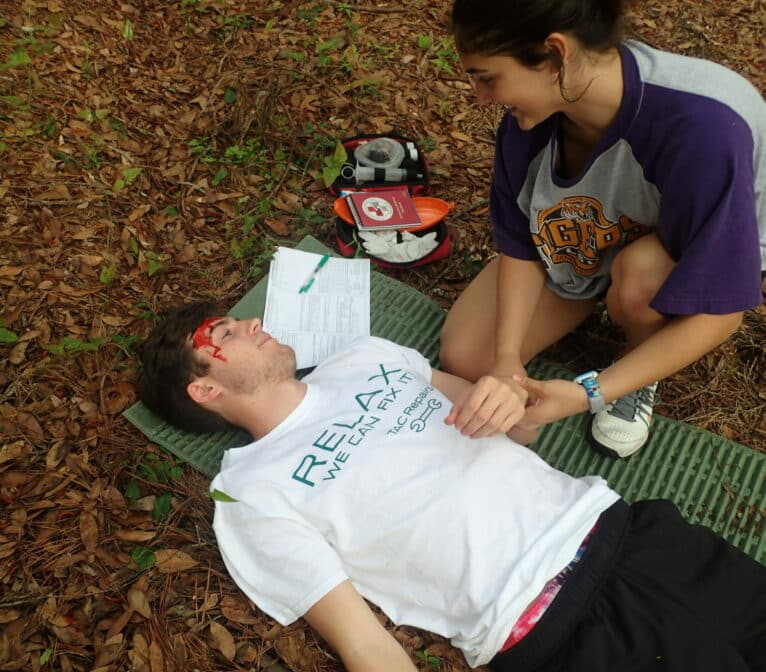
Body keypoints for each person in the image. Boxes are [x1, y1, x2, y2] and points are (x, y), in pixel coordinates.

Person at [138, 301, 766, 672]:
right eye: (220, 336)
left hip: (628, 531)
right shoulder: (251, 494)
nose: (249, 323)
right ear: (205, 391)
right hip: (556, 626)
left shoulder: (366, 355)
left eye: (236, 319)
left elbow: (516, 430)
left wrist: (512, 400)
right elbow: (363, 641)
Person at [439, 0, 766, 458]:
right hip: (601, 227)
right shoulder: (531, 118)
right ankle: (593, 282)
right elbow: (521, 243)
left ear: (555, 54)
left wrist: (590, 392)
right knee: (467, 358)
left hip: (685, 245)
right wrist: (506, 362)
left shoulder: (703, 130)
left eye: (486, 77)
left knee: (639, 276)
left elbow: (723, 311)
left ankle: (638, 366)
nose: (478, 96)